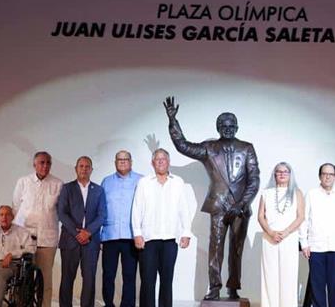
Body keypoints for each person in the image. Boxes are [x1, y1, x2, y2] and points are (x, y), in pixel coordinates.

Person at [163, 96, 260, 300]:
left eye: (231, 124)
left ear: (237, 127)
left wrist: (242, 204)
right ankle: (214, 288)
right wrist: (173, 122)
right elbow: (183, 146)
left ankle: (233, 287)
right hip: (218, 206)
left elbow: (254, 179)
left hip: (240, 208)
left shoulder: (247, 148)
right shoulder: (209, 148)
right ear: (218, 127)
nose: (228, 128)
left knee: (237, 249)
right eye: (223, 125)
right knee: (215, 249)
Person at [131, 148, 193, 307]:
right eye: (157, 159)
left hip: (170, 239)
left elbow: (184, 210)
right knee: (147, 280)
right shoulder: (144, 182)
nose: (160, 161)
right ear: (152, 163)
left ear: (168, 162)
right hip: (148, 239)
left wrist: (186, 233)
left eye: (163, 159)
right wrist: (137, 234)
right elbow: (136, 209)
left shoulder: (177, 182)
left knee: (167, 280)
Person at [13, 151, 63, 305]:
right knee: (22, 278)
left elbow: (61, 210)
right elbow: (16, 206)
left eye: (48, 163)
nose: (45, 166)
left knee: (45, 279)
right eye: (42, 162)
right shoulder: (23, 182)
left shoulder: (58, 184)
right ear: (34, 164)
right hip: (24, 238)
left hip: (47, 239)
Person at [58, 156, 106, 307]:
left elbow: (102, 215)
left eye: (87, 166)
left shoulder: (99, 190)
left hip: (91, 242)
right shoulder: (67, 188)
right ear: (76, 169)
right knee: (67, 278)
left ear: (91, 169)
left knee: (89, 279)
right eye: (81, 166)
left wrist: (88, 232)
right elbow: (62, 213)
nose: (84, 169)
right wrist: (77, 233)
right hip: (70, 240)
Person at [299, 163, 335, 307]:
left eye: (331, 174)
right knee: (317, 287)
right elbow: (304, 220)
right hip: (316, 247)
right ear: (320, 176)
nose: (327, 177)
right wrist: (304, 243)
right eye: (324, 174)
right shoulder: (311, 194)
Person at [257, 161, 305, 307]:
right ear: (274, 174)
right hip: (269, 238)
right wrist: (271, 233)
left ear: (290, 175)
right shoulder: (266, 193)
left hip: (289, 238)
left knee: (288, 275)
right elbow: (260, 216)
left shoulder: (297, 193)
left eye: (286, 171)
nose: (282, 174)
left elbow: (301, 216)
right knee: (270, 274)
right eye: (279, 171)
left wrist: (285, 232)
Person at [101, 150, 144, 307]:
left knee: (129, 275)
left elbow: (144, 208)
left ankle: (128, 305)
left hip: (131, 236)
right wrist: (100, 235)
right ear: (115, 162)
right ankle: (108, 304)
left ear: (131, 162)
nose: (123, 162)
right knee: (108, 274)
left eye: (126, 159)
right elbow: (101, 209)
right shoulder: (106, 182)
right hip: (109, 236)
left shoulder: (141, 181)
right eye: (119, 159)